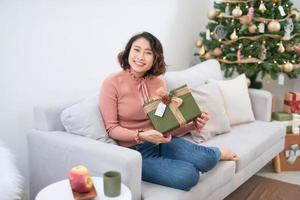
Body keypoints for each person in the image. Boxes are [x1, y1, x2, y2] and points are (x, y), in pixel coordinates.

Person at [99, 31, 237, 191]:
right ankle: (192, 159)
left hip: (163, 141)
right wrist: (141, 135)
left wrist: (193, 125)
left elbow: (165, 125)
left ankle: (215, 154)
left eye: (148, 52)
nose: (140, 56)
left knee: (206, 160)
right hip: (135, 153)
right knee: (189, 175)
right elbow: (112, 129)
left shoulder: (158, 83)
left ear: (155, 58)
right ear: (128, 51)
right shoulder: (112, 83)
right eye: (136, 49)